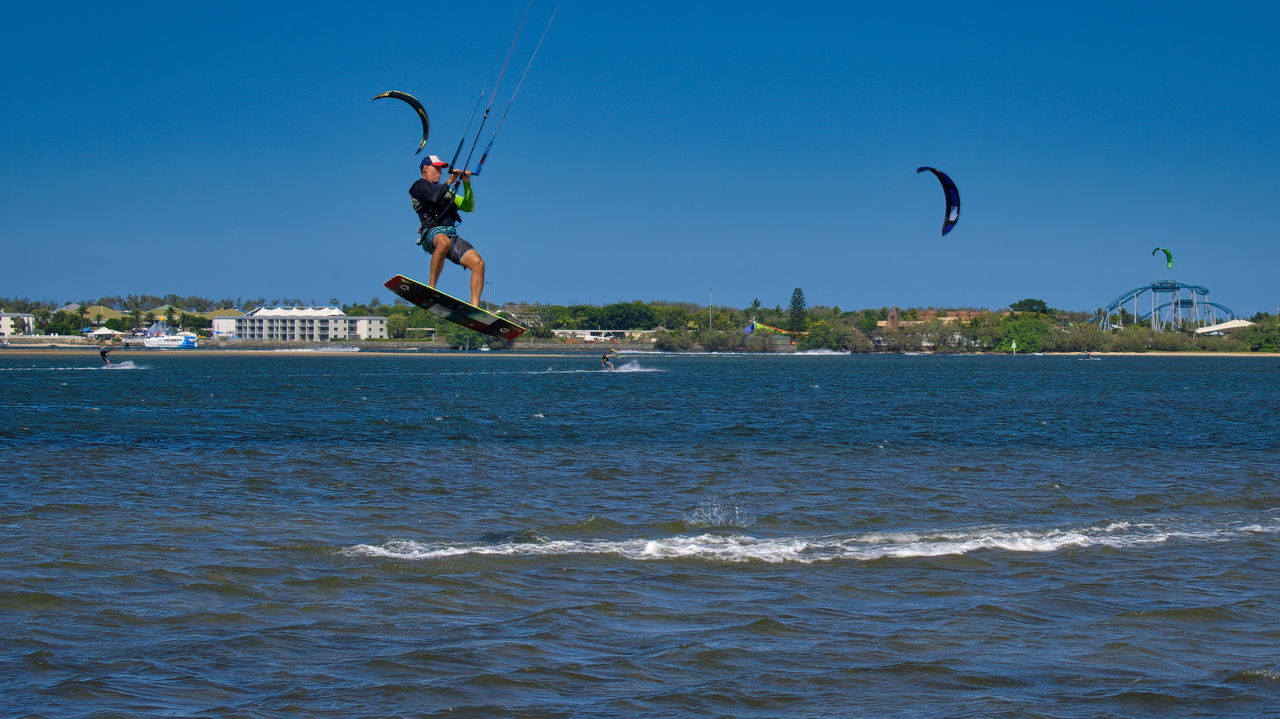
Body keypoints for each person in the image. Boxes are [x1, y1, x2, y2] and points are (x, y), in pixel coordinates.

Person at [409, 155, 485, 306]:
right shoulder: (419, 186)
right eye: (436, 168)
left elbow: (468, 207)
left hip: (452, 235)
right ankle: (431, 287)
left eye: (441, 169)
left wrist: (466, 183)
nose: (440, 172)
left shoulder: (447, 192)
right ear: (425, 169)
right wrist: (450, 181)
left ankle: (475, 307)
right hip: (432, 234)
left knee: (478, 263)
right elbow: (433, 198)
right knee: (443, 241)